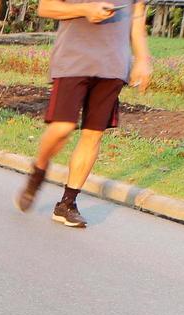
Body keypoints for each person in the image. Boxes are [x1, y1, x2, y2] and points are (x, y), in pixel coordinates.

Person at [15, 0, 152, 228]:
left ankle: (67, 204)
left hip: (113, 65)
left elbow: (137, 19)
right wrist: (84, 9)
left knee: (93, 134)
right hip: (73, 60)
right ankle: (39, 169)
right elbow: (46, 7)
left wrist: (143, 60)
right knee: (62, 127)